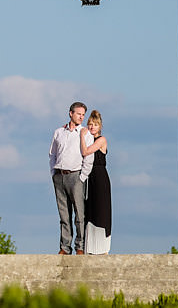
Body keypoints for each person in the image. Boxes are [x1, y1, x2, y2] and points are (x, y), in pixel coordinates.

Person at [48, 101, 94, 254]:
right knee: (64, 214)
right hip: (60, 175)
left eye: (83, 115)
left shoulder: (85, 134)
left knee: (79, 214)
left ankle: (79, 247)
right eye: (79, 114)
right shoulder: (59, 132)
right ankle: (64, 247)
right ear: (71, 113)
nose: (81, 117)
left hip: (76, 176)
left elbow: (89, 157)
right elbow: (52, 154)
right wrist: (54, 173)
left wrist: (82, 177)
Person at [81, 109, 112, 255]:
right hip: (88, 175)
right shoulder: (87, 139)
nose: (92, 127)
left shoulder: (101, 140)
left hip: (99, 175)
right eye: (90, 124)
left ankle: (103, 247)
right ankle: (90, 247)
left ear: (99, 126)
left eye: (95, 124)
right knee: (89, 210)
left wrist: (81, 136)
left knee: (101, 210)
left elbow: (86, 151)